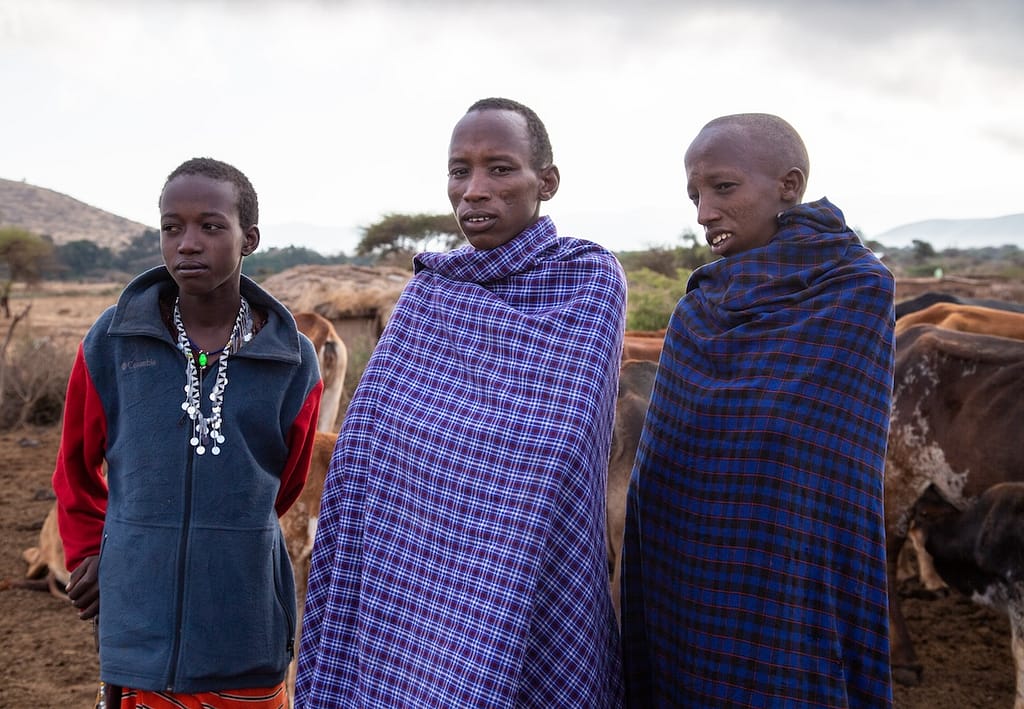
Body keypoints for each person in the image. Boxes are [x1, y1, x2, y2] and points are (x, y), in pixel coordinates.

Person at [295, 97, 627, 707]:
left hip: (533, 560)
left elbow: (552, 448)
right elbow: (371, 443)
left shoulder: (587, 281)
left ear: (545, 182)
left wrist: (473, 485)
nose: (474, 190)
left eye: (500, 169)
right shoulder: (430, 293)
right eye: (459, 171)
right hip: (408, 564)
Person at [620, 114, 895, 707]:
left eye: (722, 187)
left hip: (792, 564)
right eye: (694, 195)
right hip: (684, 572)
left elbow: (823, 460)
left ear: (789, 184)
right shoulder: (698, 307)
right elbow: (664, 463)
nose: (703, 212)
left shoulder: (856, 290)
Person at [53, 157, 324, 708]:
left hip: (243, 616)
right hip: (138, 620)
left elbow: (285, 483)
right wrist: (99, 552)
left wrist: (226, 537)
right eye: (171, 227)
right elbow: (76, 465)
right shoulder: (113, 341)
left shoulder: (293, 361)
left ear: (249, 238)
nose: (188, 243)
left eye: (211, 226)